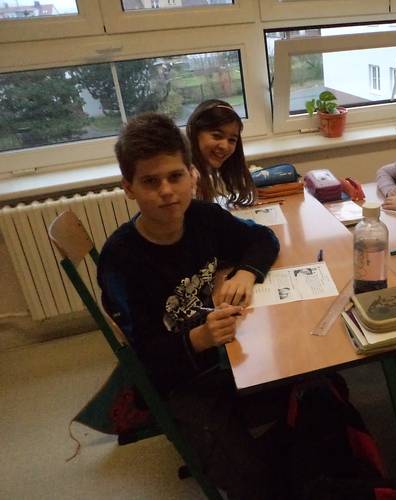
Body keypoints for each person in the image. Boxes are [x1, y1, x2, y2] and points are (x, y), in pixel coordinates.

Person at [97, 112, 287, 499]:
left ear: (192, 175)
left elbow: (263, 239)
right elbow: (144, 361)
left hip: (223, 356)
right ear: (128, 188)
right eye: (150, 181)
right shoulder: (121, 260)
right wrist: (199, 338)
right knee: (251, 480)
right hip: (178, 383)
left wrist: (246, 273)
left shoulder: (203, 217)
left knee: (316, 387)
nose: (167, 191)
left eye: (175, 176)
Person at [186, 99, 256, 206]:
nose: (225, 146)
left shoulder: (203, 174)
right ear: (195, 132)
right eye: (217, 136)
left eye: (232, 140)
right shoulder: (188, 178)